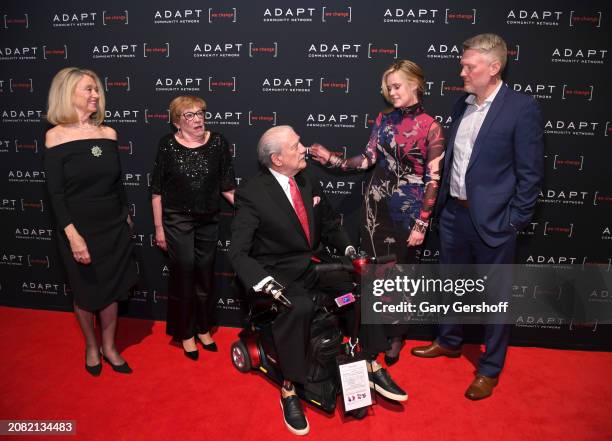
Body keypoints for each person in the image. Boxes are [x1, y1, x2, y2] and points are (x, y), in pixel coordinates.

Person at [229, 126, 407, 436]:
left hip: (314, 263)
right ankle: (289, 388)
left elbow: (328, 224)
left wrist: (350, 250)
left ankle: (369, 362)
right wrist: (265, 283)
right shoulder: (252, 193)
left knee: (360, 286)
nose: (304, 149)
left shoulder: (307, 178)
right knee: (297, 308)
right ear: (277, 158)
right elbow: (238, 253)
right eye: (296, 145)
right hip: (279, 271)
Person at [411, 33, 544, 400]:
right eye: (462, 64)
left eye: (469, 65)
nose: (462, 70)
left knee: (495, 297)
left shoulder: (521, 108)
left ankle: (489, 368)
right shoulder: (462, 104)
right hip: (454, 214)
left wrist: (513, 221)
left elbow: (530, 174)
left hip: (495, 221)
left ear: (494, 67)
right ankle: (450, 340)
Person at [310, 60, 445, 365]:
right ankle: (373, 334)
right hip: (374, 210)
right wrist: (332, 159)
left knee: (400, 278)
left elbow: (433, 180)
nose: (391, 92)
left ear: (415, 85)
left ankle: (397, 335)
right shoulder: (383, 120)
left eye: (397, 86)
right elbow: (369, 158)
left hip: (407, 214)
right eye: (388, 87)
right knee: (372, 275)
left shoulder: (431, 127)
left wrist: (422, 223)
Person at [44, 67, 137, 376]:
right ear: (68, 93)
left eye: (96, 89)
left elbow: (118, 182)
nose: (96, 94)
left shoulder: (108, 134)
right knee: (85, 292)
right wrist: (72, 235)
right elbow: (56, 195)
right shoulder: (55, 137)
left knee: (111, 289)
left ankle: (110, 346)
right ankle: (91, 346)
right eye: (88, 89)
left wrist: (126, 215)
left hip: (113, 225)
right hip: (79, 229)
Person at [151, 96, 235, 361]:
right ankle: (185, 332)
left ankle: (202, 327)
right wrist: (159, 228)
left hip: (209, 219)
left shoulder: (218, 142)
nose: (198, 118)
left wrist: (253, 208)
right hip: (178, 220)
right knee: (184, 272)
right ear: (177, 121)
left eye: (200, 112)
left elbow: (227, 186)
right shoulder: (167, 145)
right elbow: (156, 191)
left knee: (205, 274)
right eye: (189, 115)